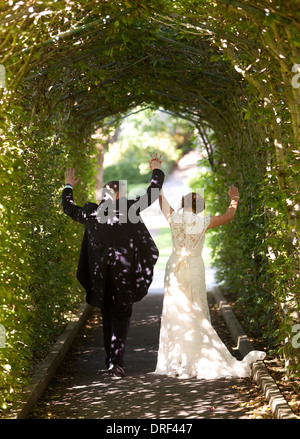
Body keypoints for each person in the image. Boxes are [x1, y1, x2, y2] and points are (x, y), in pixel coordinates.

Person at [62, 153, 164, 378]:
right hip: (124, 275)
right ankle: (116, 362)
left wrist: (68, 186)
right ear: (118, 194)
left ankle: (111, 360)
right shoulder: (128, 209)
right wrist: (156, 169)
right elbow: (152, 194)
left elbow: (68, 208)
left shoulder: (91, 211)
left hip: (101, 277)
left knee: (107, 317)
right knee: (120, 316)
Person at [154, 183, 265, 379]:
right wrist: (234, 198)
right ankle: (194, 359)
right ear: (201, 207)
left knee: (175, 310)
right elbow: (229, 216)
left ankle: (177, 361)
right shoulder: (204, 221)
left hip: (175, 267)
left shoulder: (174, 218)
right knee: (195, 308)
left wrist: (157, 173)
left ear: (183, 204)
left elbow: (159, 197)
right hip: (195, 267)